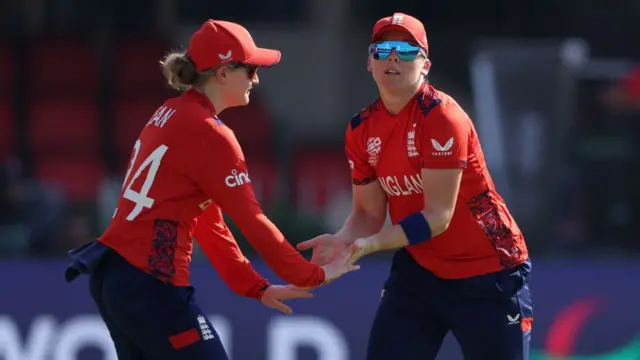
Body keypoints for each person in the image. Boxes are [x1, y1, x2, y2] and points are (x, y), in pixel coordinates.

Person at [64, 19, 357, 360]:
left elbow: (208, 221)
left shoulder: (170, 112)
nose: (257, 79)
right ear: (221, 73)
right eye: (249, 70)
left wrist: (254, 286)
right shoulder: (210, 134)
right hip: (150, 283)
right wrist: (311, 275)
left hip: (116, 278)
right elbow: (253, 221)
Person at [298, 13, 533, 360]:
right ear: (369, 62)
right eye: (383, 49)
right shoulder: (361, 129)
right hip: (421, 270)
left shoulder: (443, 118)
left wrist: (370, 244)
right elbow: (367, 212)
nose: (392, 57)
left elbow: (438, 216)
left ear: (425, 65)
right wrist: (345, 239)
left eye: (406, 50)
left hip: (489, 270)